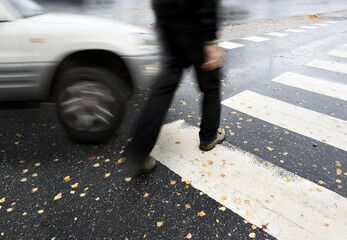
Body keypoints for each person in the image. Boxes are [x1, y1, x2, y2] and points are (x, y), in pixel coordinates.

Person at [125, 0, 225, 173]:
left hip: (168, 24)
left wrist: (162, 22)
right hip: (195, 26)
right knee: (211, 86)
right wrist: (211, 40)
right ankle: (208, 137)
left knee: (162, 90)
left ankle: (138, 151)